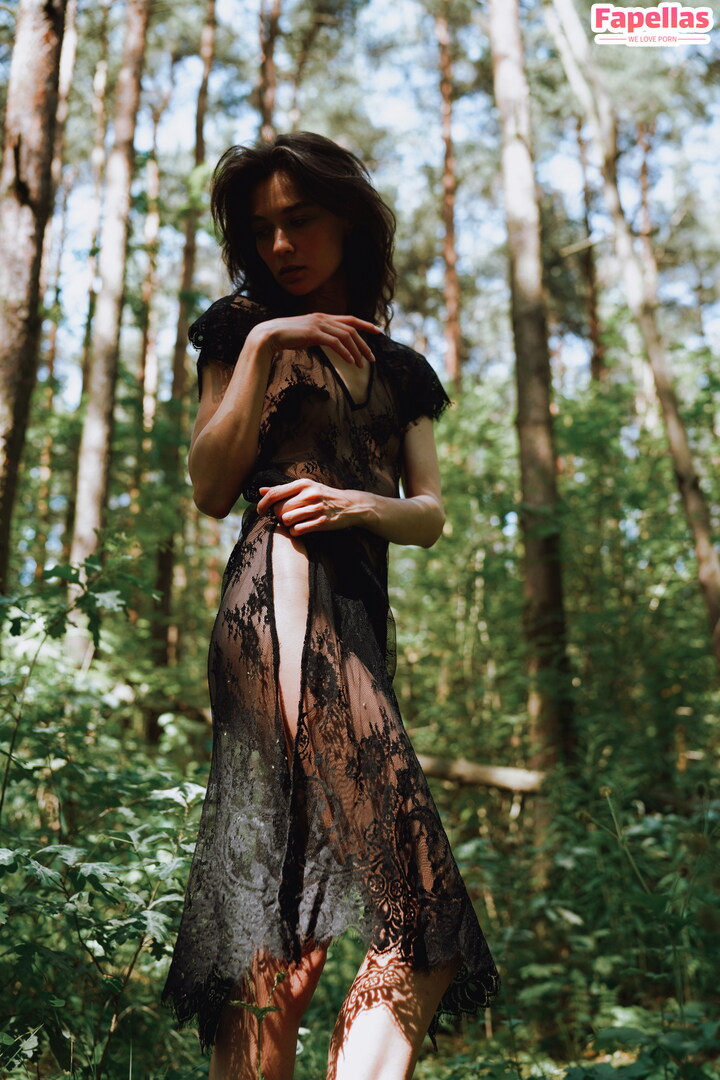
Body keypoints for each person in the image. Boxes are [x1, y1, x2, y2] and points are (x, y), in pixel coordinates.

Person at [162, 131, 499, 1080]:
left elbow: (429, 513)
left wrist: (357, 504)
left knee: (298, 918)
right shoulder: (238, 332)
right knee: (410, 911)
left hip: (358, 624)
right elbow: (209, 486)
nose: (280, 244)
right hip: (277, 602)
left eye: (300, 219)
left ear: (347, 220)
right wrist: (267, 342)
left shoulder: (402, 369)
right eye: (261, 228)